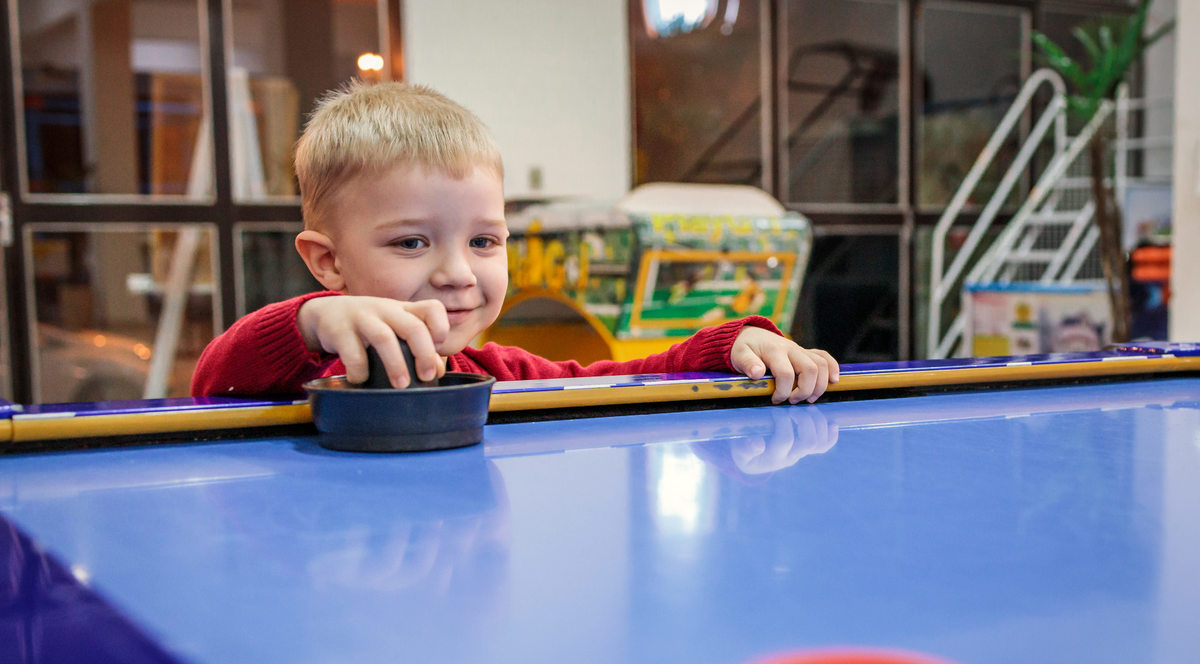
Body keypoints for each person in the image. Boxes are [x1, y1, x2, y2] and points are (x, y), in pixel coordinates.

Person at [191, 82, 839, 404]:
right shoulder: (307, 373)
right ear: (329, 261)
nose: (457, 273)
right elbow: (210, 387)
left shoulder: (498, 373)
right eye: (413, 243)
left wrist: (730, 345)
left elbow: (624, 383)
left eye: (483, 241)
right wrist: (308, 323)